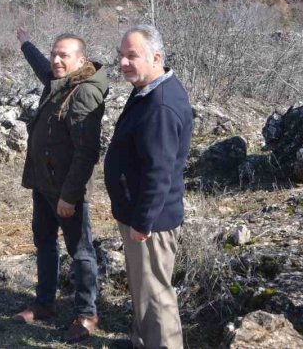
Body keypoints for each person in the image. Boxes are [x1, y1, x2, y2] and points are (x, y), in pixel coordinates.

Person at [13, 27, 109, 343]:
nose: (56, 60)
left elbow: (86, 152)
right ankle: (45, 303)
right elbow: (43, 68)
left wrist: (69, 196)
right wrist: (26, 43)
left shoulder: (83, 93)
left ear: (81, 61)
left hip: (67, 191)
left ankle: (86, 314)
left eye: (63, 55)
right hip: (44, 183)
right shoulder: (61, 81)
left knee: (80, 252)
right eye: (54, 53)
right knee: (44, 242)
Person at [104, 25, 192, 349]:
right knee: (143, 288)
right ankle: (141, 342)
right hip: (139, 213)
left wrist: (142, 221)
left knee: (156, 295)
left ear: (156, 58)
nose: (123, 63)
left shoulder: (161, 105)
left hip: (151, 221)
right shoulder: (147, 89)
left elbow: (159, 172)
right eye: (121, 55)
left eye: (132, 56)